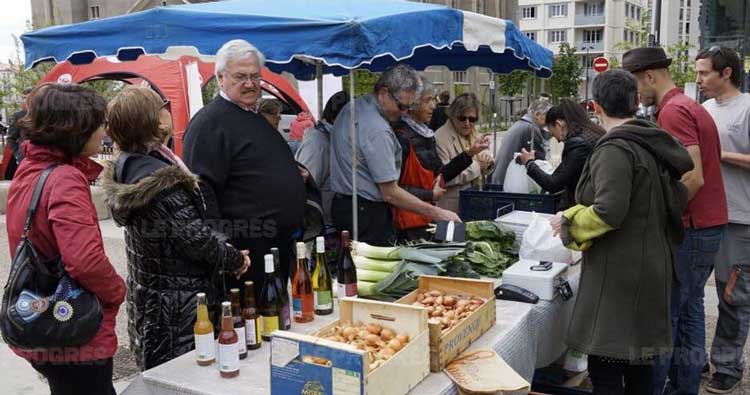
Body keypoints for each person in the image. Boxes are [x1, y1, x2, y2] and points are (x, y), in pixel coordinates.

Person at [553, 70, 692, 393]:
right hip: (648, 269)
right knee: (639, 370)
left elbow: (609, 210)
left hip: (623, 278)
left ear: (596, 105)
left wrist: (568, 221)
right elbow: (678, 196)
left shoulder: (616, 149)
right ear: (634, 101)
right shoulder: (652, 140)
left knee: (607, 369)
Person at [101, 87, 250, 370]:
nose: (167, 109)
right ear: (154, 122)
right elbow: (196, 240)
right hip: (176, 308)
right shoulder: (158, 183)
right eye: (163, 105)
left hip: (157, 300)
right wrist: (236, 259)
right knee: (182, 377)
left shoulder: (133, 166)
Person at [6, 83, 126, 395]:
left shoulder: (31, 168)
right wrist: (116, 290)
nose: (104, 132)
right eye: (100, 124)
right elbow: (84, 261)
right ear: (77, 129)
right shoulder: (64, 179)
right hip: (72, 327)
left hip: (41, 317)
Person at [623, 46, 729, 395]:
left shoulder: (673, 111)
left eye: (636, 86)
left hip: (694, 227)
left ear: (649, 76)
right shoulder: (688, 105)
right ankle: (684, 388)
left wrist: (657, 212)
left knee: (667, 318)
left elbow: (693, 177)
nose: (636, 95)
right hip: (708, 225)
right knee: (690, 312)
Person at [183, 39, 306, 299]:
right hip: (246, 253)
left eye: (255, 76)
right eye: (241, 77)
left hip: (275, 245)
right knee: (252, 327)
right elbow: (201, 190)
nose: (250, 84)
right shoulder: (209, 123)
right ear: (221, 78)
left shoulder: (251, 114)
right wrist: (225, 248)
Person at [329, 64, 460, 246]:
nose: (404, 113)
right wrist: (438, 213)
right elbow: (390, 193)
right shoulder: (378, 130)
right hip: (367, 213)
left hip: (344, 206)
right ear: (383, 93)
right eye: (402, 106)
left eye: (409, 107)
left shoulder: (353, 107)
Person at [696, 45, 750, 394]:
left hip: (739, 217)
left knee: (732, 297)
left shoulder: (747, 108)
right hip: (701, 216)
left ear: (726, 72)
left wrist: (719, 154)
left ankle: (728, 367)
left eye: (704, 73)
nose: (698, 79)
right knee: (689, 294)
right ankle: (693, 360)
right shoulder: (702, 110)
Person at [393, 78, 490, 240]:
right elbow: (395, 188)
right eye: (428, 100)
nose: (433, 106)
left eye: (433, 100)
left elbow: (441, 174)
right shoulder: (401, 136)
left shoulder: (425, 134)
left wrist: (470, 154)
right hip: (408, 222)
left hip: (426, 217)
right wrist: (429, 193)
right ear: (412, 103)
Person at [517, 98, 604, 210]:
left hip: (586, 207)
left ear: (558, 124)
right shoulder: (593, 132)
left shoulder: (578, 145)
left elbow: (553, 184)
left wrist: (529, 163)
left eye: (553, 133)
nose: (557, 140)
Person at [295, 91, 349, 227]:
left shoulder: (331, 138)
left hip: (331, 220)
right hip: (321, 224)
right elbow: (305, 185)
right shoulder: (318, 144)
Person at [435, 93, 494, 213]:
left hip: (475, 203)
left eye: (472, 119)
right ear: (452, 115)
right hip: (451, 208)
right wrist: (478, 167)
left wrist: (488, 160)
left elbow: (485, 161)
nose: (467, 123)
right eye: (462, 118)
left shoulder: (474, 133)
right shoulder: (440, 138)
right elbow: (443, 177)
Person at [490, 99, 552, 186]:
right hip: (508, 182)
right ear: (537, 115)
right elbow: (541, 162)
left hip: (501, 179)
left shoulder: (520, 125)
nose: (550, 122)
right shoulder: (530, 128)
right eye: (548, 117)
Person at [5, 87, 33, 180]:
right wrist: (17, 154)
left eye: (29, 97)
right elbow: (11, 138)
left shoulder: (45, 114)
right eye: (24, 98)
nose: (27, 101)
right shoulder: (18, 116)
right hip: (24, 159)